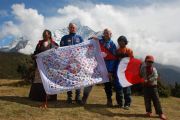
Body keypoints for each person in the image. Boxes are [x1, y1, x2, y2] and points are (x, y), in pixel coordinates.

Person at [90, 28, 119, 107]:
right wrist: (92, 38)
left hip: (107, 68)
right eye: (105, 33)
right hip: (97, 66)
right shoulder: (100, 41)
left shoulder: (112, 45)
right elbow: (90, 41)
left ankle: (109, 100)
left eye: (108, 33)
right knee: (90, 81)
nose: (106, 34)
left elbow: (113, 58)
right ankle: (84, 97)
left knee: (108, 85)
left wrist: (110, 71)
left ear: (111, 34)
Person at [29, 29, 58, 104]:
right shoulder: (39, 44)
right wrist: (34, 56)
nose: (45, 35)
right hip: (40, 66)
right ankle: (36, 97)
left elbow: (56, 54)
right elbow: (36, 52)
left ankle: (50, 97)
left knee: (48, 81)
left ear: (49, 35)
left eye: (47, 34)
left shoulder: (54, 44)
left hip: (49, 67)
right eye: (44, 34)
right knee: (38, 80)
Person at [60, 23, 83, 104]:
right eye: (70, 27)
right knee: (68, 79)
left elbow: (83, 49)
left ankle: (78, 96)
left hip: (77, 62)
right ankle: (69, 97)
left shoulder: (80, 38)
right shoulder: (64, 38)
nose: (72, 28)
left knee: (78, 79)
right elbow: (61, 50)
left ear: (76, 28)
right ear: (68, 28)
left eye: (73, 27)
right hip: (68, 62)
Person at [140, 55, 167, 120]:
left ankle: (160, 113)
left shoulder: (154, 69)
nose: (149, 63)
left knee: (156, 100)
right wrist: (142, 79)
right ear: (145, 61)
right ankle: (148, 111)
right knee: (147, 100)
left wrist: (148, 80)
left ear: (152, 63)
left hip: (153, 87)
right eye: (148, 61)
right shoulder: (143, 68)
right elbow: (140, 75)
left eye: (151, 62)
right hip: (145, 87)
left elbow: (155, 76)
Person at [115, 35, 133, 110]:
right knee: (118, 88)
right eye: (119, 41)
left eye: (122, 41)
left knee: (126, 88)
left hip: (126, 72)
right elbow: (115, 61)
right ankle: (120, 103)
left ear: (125, 42)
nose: (120, 42)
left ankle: (127, 104)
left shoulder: (129, 50)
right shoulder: (117, 51)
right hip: (118, 71)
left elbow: (131, 61)